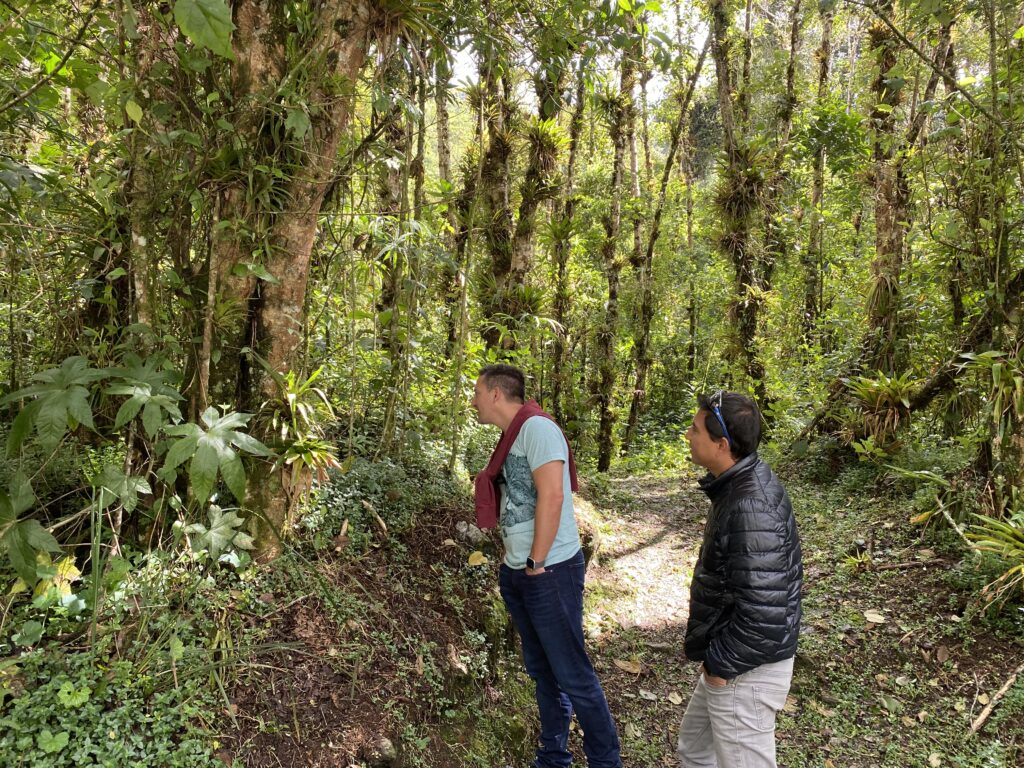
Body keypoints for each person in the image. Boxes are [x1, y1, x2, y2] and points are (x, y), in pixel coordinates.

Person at [471, 364, 622, 768]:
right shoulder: (512, 436)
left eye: (477, 392)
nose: (473, 400)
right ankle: (553, 756)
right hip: (521, 571)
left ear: (497, 394)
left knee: (573, 673)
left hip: (549, 571)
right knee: (543, 672)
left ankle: (606, 761)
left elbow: (553, 496)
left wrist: (536, 562)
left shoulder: (538, 429)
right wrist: (518, 565)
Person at [677, 390, 802, 768]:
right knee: (696, 750)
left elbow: (764, 613)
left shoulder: (750, 504)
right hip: (738, 659)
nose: (688, 434)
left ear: (722, 444)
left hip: (746, 668)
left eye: (696, 429)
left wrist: (720, 665)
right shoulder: (737, 486)